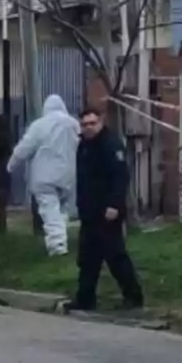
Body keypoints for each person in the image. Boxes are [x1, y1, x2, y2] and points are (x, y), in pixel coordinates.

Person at [68, 106, 144, 312]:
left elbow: (120, 176)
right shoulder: (84, 145)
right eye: (85, 125)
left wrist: (114, 205)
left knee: (115, 256)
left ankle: (134, 297)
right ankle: (85, 298)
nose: (89, 128)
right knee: (87, 259)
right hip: (89, 211)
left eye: (92, 123)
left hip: (107, 212)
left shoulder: (110, 145)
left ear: (100, 122)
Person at [7, 94, 80, 256]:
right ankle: (62, 238)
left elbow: (24, 148)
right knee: (62, 210)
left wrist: (11, 165)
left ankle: (58, 246)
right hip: (69, 175)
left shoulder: (39, 125)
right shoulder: (74, 125)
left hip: (44, 177)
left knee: (49, 210)